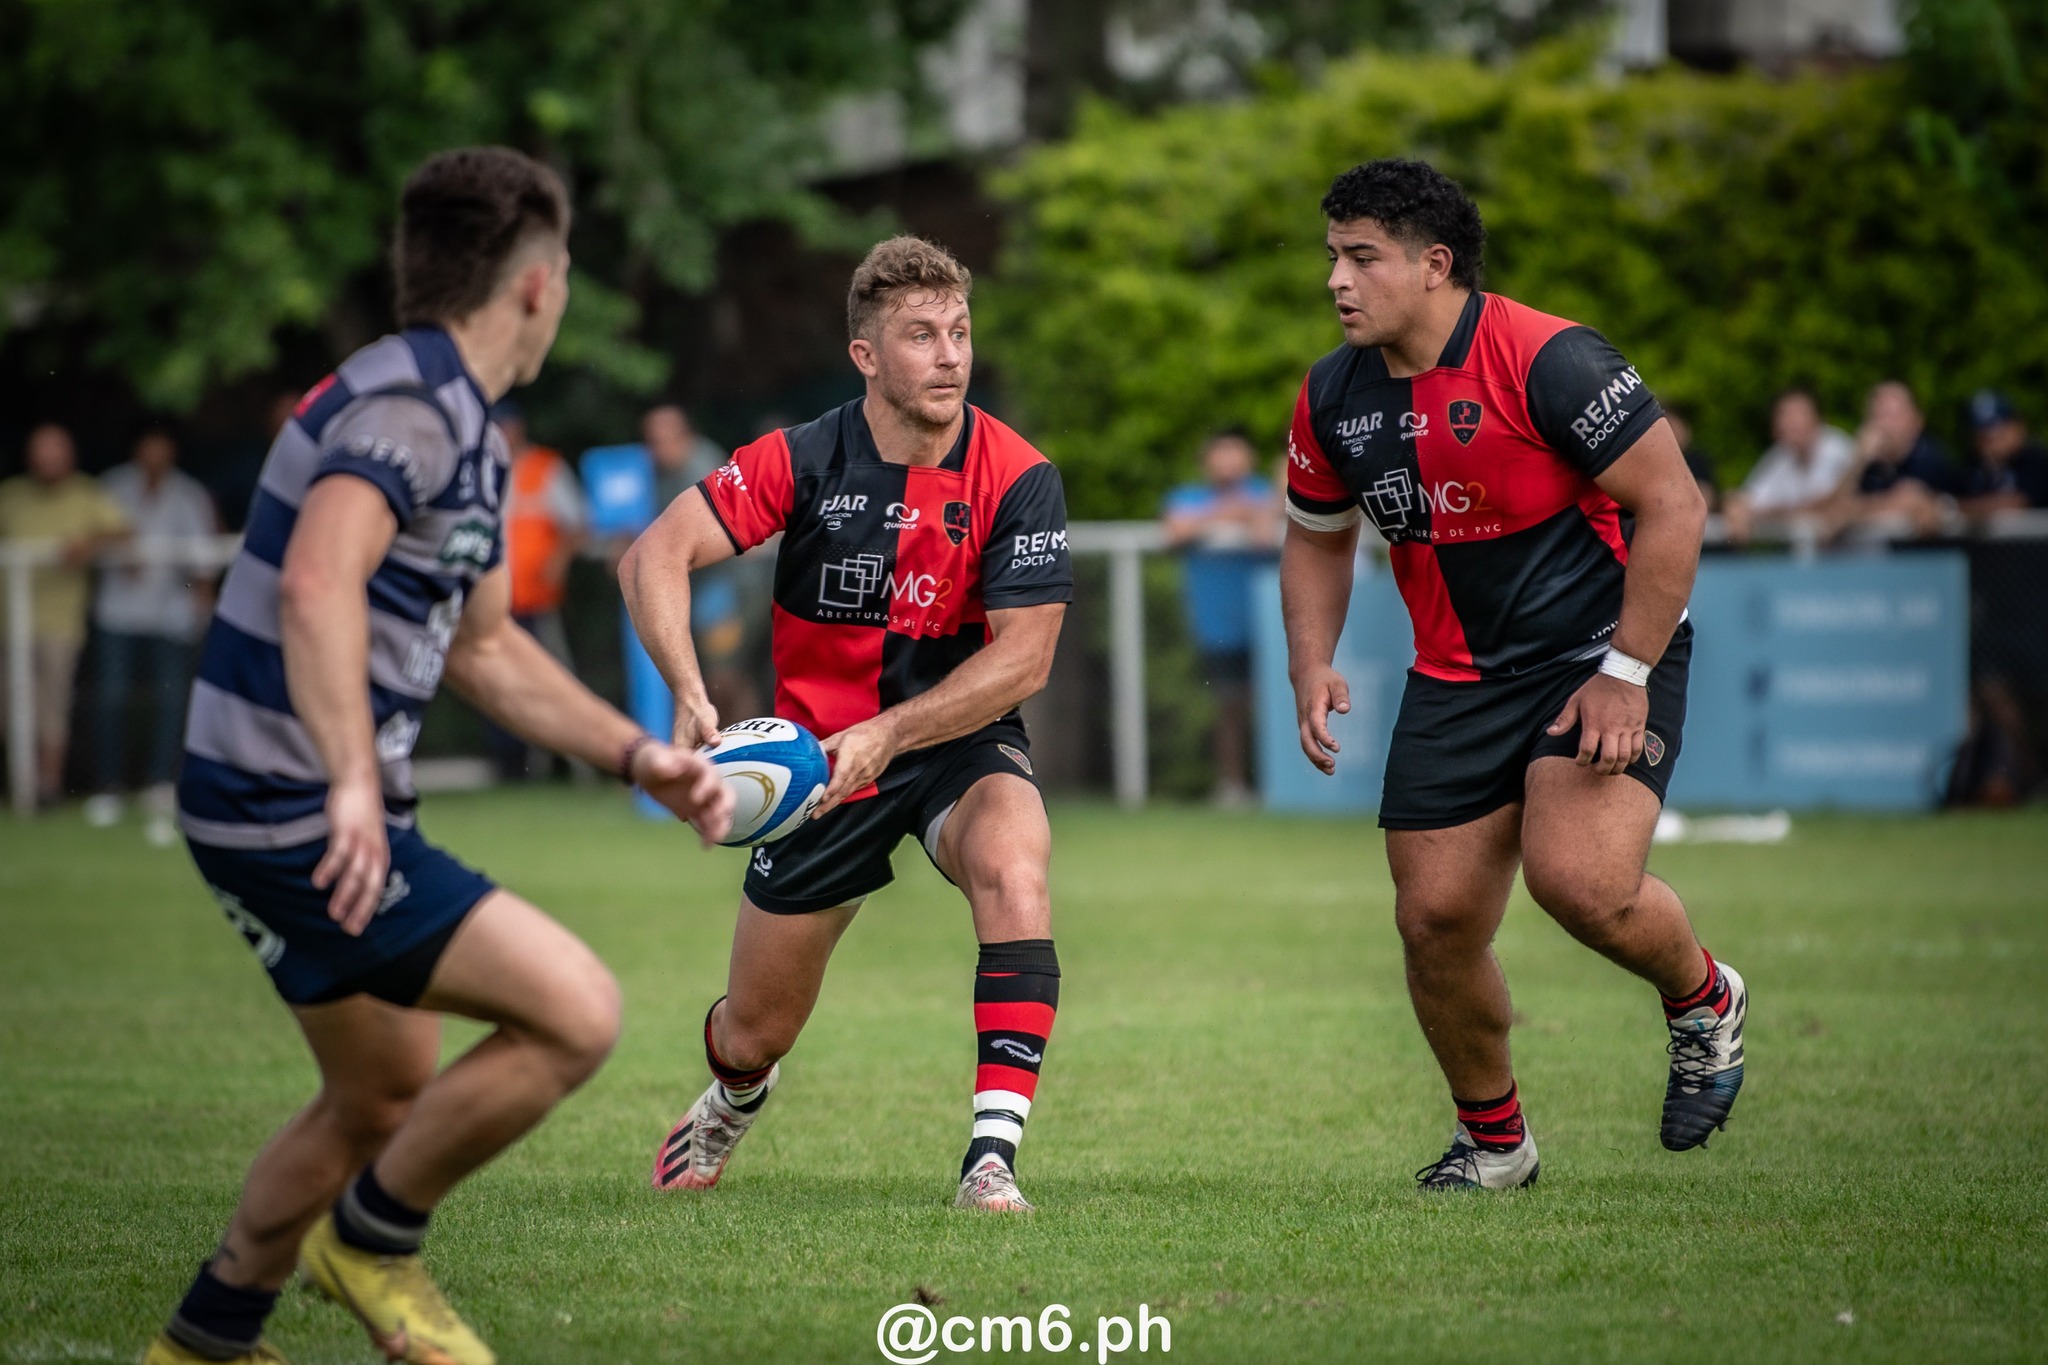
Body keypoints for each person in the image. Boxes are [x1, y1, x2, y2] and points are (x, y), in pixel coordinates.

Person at [144, 147, 732, 1365]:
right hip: (292, 807)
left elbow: (484, 649)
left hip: (275, 799)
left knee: (379, 1092)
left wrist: (637, 756)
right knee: (575, 1013)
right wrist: (354, 782)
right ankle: (370, 1243)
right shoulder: (410, 408)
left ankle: (206, 1340)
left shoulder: (456, 415)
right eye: (564, 271)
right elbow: (317, 581)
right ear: (535, 285)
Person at [1280, 159, 1744, 1191]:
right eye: (1332, 257)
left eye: (1362, 258)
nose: (1336, 281)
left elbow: (1675, 504)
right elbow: (1314, 536)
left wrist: (1626, 672)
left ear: (1433, 264)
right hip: (1455, 679)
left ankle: (1704, 998)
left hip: (1598, 656)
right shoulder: (1332, 394)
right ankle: (1495, 1146)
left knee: (1580, 884)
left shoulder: (1550, 359)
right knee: (1433, 921)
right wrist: (1309, 659)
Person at [621, 235, 1072, 1213]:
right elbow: (652, 555)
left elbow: (1025, 658)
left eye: (959, 332)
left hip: (956, 740)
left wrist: (895, 733)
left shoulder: (1018, 474)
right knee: (754, 1030)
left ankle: (990, 1159)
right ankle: (733, 1098)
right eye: (921, 335)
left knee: (1014, 869)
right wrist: (689, 692)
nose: (950, 355)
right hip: (815, 766)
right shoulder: (800, 458)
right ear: (865, 355)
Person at [85, 425, 219, 840]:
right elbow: (87, 538)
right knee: (111, 696)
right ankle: (108, 785)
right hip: (117, 612)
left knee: (171, 699)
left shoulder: (189, 493)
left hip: (170, 614)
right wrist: (117, 546)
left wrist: (201, 605)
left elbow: (203, 559)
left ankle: (160, 782)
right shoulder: (111, 487)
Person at [0, 423, 130, 805]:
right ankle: (19, 786)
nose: (48, 459)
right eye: (41, 451)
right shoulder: (11, 495)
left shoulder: (87, 494)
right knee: (9, 707)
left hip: (60, 623)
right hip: (8, 624)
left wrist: (88, 543)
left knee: (52, 709)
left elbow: (125, 532)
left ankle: (49, 789)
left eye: (54, 451)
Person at [1162, 430, 1278, 804]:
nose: (1228, 462)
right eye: (1221, 454)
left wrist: (1255, 512)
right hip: (1217, 625)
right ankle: (1233, 786)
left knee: (1274, 704)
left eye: (1235, 453)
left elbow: (1266, 533)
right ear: (1206, 461)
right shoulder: (1187, 497)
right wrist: (1228, 512)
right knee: (1229, 705)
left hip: (1273, 622)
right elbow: (1176, 532)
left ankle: (1281, 785)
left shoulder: (1265, 494)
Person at [641, 402, 763, 720]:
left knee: (723, 676)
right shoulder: (661, 473)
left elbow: (709, 539)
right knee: (729, 674)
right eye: (652, 441)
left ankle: (740, 741)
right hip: (711, 586)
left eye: (665, 439)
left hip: (731, 585)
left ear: (686, 436)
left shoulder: (701, 468)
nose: (658, 449)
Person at [490, 400, 588, 779]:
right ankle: (512, 764)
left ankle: (568, 761)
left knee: (551, 678)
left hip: (537, 599)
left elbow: (576, 524)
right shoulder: (482, 467)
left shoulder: (545, 467)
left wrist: (557, 562)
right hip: (493, 601)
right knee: (499, 681)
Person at [1720, 388, 1855, 543]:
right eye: (1784, 415)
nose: (1790, 421)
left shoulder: (1837, 448)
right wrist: (1734, 505)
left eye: (1798, 414)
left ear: (1818, 419)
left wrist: (1771, 513)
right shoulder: (1780, 455)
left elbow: (1829, 503)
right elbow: (1746, 500)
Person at [1837, 380, 1954, 539]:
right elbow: (1834, 515)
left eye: (1891, 416)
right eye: (1877, 416)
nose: (1883, 425)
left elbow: (1927, 514)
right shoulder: (1868, 464)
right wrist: (1858, 462)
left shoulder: (1929, 460)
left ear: (1916, 420)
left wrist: (1859, 509)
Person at [1958, 389, 2048, 517]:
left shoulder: (2037, 461)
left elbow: (2017, 503)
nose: (1991, 439)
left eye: (1997, 430)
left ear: (2018, 426)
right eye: (1983, 432)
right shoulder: (1973, 467)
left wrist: (1955, 507)